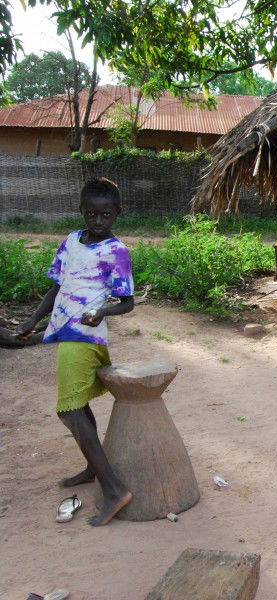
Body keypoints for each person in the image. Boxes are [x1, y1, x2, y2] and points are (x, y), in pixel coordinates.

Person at [16, 178, 135, 526]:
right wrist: (31, 321)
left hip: (85, 335)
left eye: (105, 215)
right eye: (91, 213)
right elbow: (57, 287)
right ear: (81, 211)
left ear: (117, 214)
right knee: (77, 404)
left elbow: (127, 303)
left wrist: (102, 312)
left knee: (68, 410)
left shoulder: (116, 252)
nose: (98, 221)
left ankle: (114, 490)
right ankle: (91, 468)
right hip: (63, 330)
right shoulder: (71, 241)